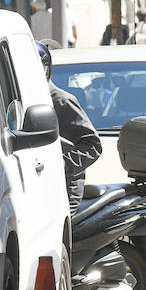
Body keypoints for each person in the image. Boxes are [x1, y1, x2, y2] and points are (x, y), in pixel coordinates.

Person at [36, 41, 102, 215]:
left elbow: (93, 146)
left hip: (65, 189)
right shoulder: (20, 103)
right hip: (37, 189)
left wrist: (59, 165)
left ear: (45, 68)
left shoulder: (61, 101)